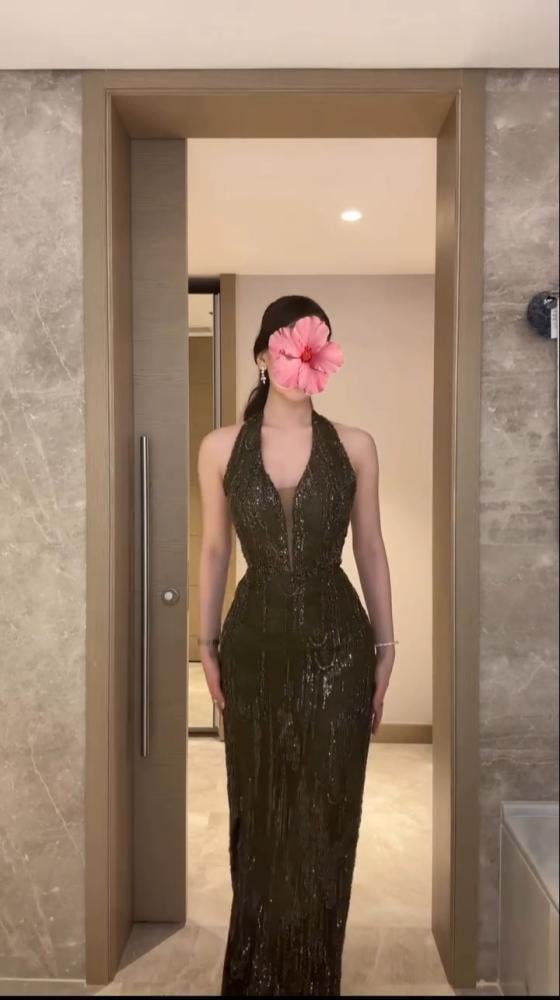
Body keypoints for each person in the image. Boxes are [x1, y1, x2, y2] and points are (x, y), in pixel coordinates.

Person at [197, 294, 396, 996]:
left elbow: (370, 547)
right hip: (253, 647)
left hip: (340, 648)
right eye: (286, 347)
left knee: (326, 813)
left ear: (325, 361)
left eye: (312, 348)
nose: (299, 360)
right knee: (260, 814)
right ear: (262, 355)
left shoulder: (356, 446)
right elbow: (215, 549)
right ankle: (255, 977)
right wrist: (205, 643)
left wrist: (387, 645)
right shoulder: (220, 447)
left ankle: (314, 978)